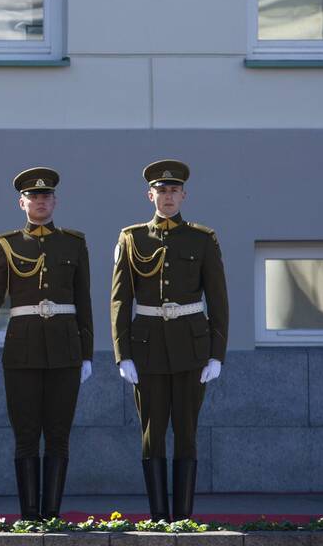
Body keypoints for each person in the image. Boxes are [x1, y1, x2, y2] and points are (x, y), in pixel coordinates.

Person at [0, 167, 93, 520]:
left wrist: (87, 353)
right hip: (22, 352)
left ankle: (52, 515)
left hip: (65, 350)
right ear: (22, 203)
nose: (40, 201)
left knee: (59, 435)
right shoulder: (7, 244)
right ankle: (30, 517)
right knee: (27, 435)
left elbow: (84, 301)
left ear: (55, 201)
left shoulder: (74, 243)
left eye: (46, 196)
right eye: (33, 197)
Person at [110, 159, 228, 522]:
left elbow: (218, 298)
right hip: (146, 350)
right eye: (161, 191)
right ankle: (159, 516)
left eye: (174, 190)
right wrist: (122, 353)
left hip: (192, 348)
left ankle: (184, 518)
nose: (168, 196)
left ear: (184, 195)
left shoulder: (202, 239)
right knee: (152, 433)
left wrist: (216, 354)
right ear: (150, 196)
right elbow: (120, 299)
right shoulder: (132, 238)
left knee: (187, 432)